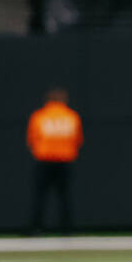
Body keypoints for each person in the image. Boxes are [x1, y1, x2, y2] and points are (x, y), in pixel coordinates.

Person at [27, 88, 83, 234]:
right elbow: (77, 140)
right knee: (64, 196)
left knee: (40, 196)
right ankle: (67, 229)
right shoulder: (71, 116)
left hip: (45, 160)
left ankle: (36, 228)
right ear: (63, 100)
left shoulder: (39, 116)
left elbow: (32, 139)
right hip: (64, 160)